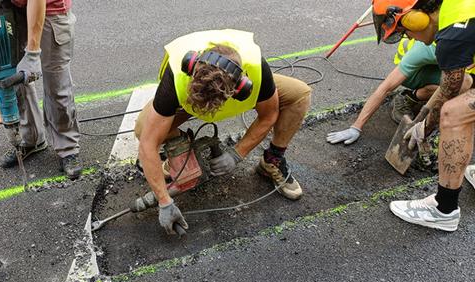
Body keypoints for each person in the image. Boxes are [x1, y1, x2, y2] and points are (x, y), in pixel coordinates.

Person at [135, 29, 312, 234]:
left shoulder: (256, 71)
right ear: (191, 69)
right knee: (143, 128)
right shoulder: (176, 76)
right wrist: (164, 202)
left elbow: (269, 115)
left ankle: (272, 161)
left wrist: (238, 154)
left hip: (230, 87)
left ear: (241, 89)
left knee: (299, 94)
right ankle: (177, 158)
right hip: (188, 99)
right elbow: (148, 143)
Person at [370, 0, 475, 231]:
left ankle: (444, 210)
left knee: (454, 113)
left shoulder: (452, 34)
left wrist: (424, 128)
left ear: (415, 18)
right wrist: (423, 119)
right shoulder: (457, 10)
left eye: (405, 31)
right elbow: (455, 85)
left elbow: (450, 90)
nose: (409, 38)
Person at [326, 37, 472, 146]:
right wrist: (356, 127)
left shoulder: (466, 43)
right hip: (416, 73)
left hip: (447, 64)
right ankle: (409, 98)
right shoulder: (424, 50)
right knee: (463, 84)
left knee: (466, 86)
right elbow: (385, 88)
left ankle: (428, 119)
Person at [4, 0, 83, 180]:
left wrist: (32, 53)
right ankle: (32, 139)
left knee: (58, 87)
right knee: (19, 81)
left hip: (51, 12)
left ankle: (68, 148)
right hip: (14, 11)